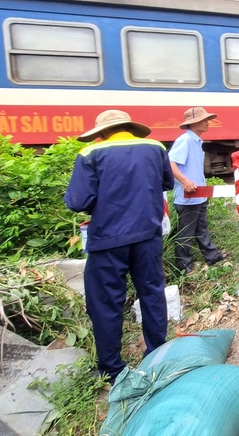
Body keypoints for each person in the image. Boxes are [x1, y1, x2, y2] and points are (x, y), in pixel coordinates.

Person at [65, 110, 174, 384]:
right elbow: (166, 183)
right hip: (148, 235)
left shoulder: (91, 153)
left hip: (108, 240)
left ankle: (112, 369)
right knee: (151, 292)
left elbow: (77, 201)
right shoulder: (155, 147)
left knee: (106, 302)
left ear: (102, 133)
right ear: (130, 129)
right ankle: (156, 355)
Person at [168, 107, 228, 274]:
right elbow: (170, 163)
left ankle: (212, 256)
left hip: (198, 195)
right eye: (204, 120)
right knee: (186, 232)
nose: (207, 123)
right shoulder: (185, 140)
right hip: (188, 197)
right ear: (194, 123)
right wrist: (185, 181)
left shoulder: (195, 141)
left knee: (201, 228)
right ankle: (183, 267)